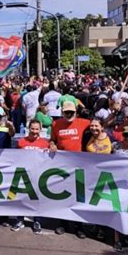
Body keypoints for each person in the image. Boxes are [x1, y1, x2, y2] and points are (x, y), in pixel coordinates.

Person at [49, 101, 90, 238]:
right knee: (63, 196)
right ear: (62, 112)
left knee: (78, 197)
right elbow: (52, 140)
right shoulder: (56, 124)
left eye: (71, 112)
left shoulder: (83, 122)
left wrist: (114, 111)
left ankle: (79, 226)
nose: (69, 115)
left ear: (76, 113)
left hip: (79, 165)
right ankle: (63, 223)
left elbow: (101, 125)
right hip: (62, 165)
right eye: (66, 112)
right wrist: (52, 144)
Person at [16, 119, 48, 234]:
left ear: (40, 130)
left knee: (37, 199)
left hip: (38, 175)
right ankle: (20, 220)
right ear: (28, 129)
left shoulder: (44, 143)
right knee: (21, 198)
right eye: (32, 129)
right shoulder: (21, 142)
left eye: (37, 129)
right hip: (23, 175)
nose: (34, 131)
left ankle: (37, 221)